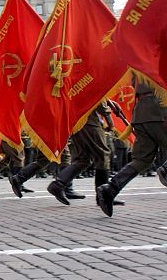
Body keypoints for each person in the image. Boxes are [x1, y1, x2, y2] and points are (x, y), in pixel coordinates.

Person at [97, 81, 167, 216]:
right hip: (160, 108)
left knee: (141, 160)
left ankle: (110, 189)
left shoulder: (140, 60)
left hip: (141, 112)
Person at [47, 102, 116, 206]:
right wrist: (110, 122)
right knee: (103, 155)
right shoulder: (93, 84)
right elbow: (99, 98)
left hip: (76, 121)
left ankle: (58, 184)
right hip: (90, 120)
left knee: (83, 159)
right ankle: (103, 197)